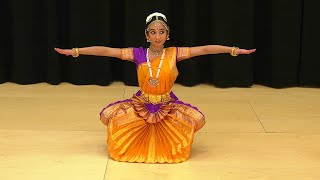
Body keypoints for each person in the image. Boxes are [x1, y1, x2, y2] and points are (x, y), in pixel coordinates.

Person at [54, 12, 256, 163]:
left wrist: (233, 50)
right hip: (142, 104)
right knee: (116, 125)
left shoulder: (175, 53)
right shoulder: (137, 54)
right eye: (153, 32)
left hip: (167, 105)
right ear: (146, 35)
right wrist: (76, 51)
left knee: (183, 135)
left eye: (161, 32)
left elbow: (204, 49)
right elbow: (107, 51)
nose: (157, 36)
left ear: (167, 35)